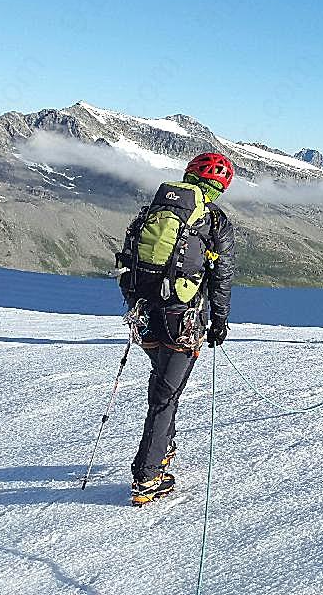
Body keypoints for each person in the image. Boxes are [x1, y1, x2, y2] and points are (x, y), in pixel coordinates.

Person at [116, 152, 237, 505]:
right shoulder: (214, 221)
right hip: (182, 319)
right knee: (165, 396)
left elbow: (128, 259)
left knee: (162, 383)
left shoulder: (153, 210)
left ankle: (163, 448)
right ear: (221, 186)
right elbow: (222, 275)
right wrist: (219, 320)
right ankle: (147, 477)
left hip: (145, 315)